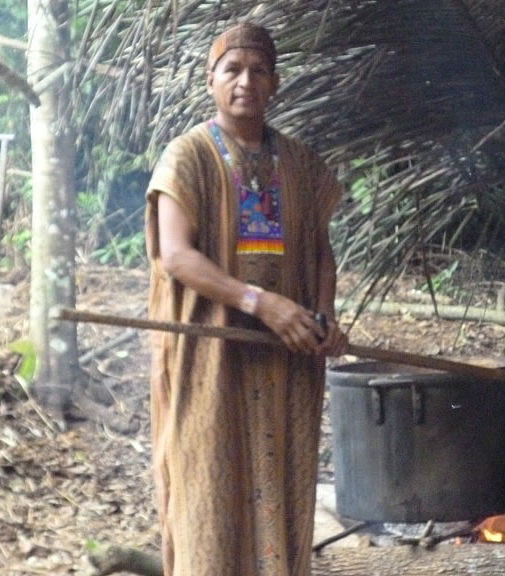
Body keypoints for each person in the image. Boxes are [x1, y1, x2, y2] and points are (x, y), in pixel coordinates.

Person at [144, 21, 348, 576]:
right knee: (207, 490)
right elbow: (176, 256)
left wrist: (321, 319)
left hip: (286, 363)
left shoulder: (301, 165)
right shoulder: (187, 157)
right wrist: (262, 303)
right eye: (232, 69)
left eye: (259, 71)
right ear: (211, 81)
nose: (245, 81)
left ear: (275, 84)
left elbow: (320, 254)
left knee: (281, 493)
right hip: (211, 357)